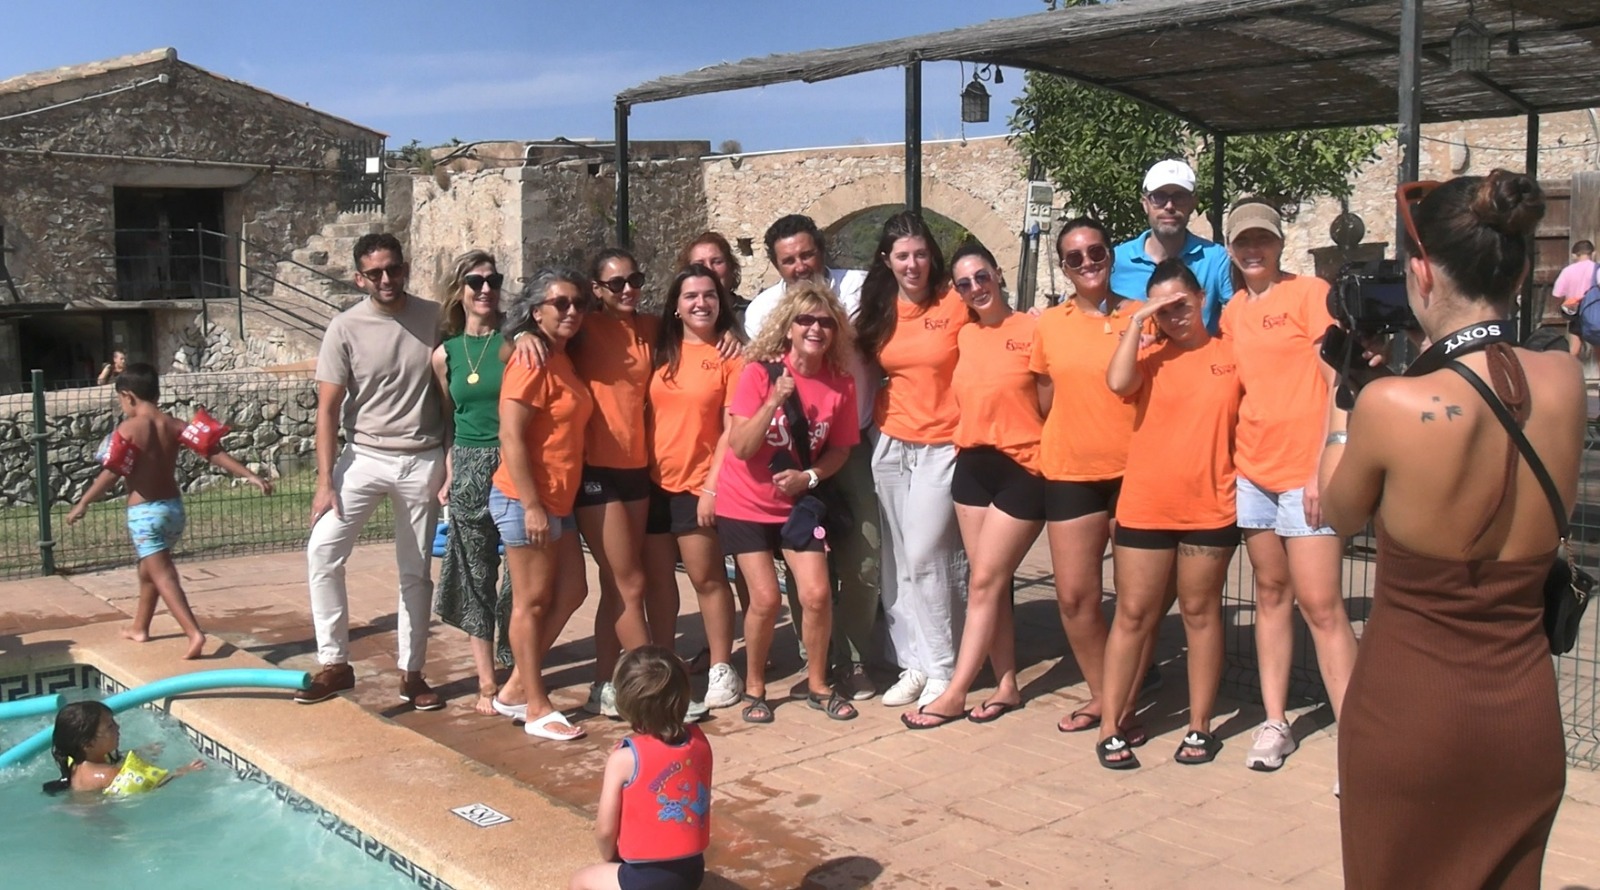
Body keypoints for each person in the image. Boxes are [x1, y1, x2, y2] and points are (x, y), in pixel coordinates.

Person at [1322, 171, 1581, 888]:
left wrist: (1345, 398)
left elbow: (1335, 513)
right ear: (1520, 272)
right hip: (1525, 717)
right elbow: (1492, 374)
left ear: (1422, 272)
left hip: (1412, 714)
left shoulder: (1391, 406)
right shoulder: (1564, 380)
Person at [1218, 201, 1357, 771]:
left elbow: (1339, 379)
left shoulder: (1309, 294)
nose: (1254, 250)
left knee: (1322, 606)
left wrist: (1328, 461)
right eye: (1243, 241)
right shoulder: (1231, 312)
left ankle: (1358, 742)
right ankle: (1275, 722)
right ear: (1231, 248)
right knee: (1271, 595)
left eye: (1263, 239)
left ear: (1279, 244)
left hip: (1306, 472)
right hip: (1254, 471)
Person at [1096, 259, 1242, 770]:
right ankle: (1110, 725)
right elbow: (1117, 383)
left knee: (1201, 614)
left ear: (1201, 298)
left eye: (1180, 304)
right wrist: (1138, 320)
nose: (1173, 316)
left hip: (1210, 506)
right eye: (1162, 309)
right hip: (1146, 506)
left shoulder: (1230, 354)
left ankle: (1200, 724)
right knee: (1133, 615)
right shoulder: (1147, 357)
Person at [301, 233, 448, 708]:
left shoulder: (435, 317)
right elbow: (327, 410)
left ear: (405, 268)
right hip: (363, 456)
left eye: (394, 269)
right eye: (375, 273)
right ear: (359, 278)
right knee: (323, 551)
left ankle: (412, 673)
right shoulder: (344, 327)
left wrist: (448, 457)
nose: (387, 279)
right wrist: (325, 482)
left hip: (422, 457)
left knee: (415, 571)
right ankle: (335, 664)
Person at [902, 244, 1043, 728]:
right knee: (989, 583)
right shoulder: (963, 333)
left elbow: (1050, 400)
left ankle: (955, 692)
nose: (975, 288)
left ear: (998, 274)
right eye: (963, 284)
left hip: (1023, 466)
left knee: (983, 580)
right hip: (973, 466)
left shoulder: (1033, 329)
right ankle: (1007, 684)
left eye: (981, 277)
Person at [741, 214, 880, 702]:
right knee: (806, 561)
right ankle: (815, 658)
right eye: (788, 260)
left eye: (807, 254)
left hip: (848, 443)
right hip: (791, 451)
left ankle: (854, 658)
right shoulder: (763, 310)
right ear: (775, 265)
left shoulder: (859, 288)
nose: (800, 265)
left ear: (822, 249)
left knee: (864, 557)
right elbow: (758, 365)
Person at [716, 280, 860, 724]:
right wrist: (774, 399)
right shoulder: (759, 373)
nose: (815, 328)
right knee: (764, 598)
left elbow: (840, 449)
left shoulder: (841, 383)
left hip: (798, 502)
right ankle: (755, 687)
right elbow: (741, 446)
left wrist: (809, 477)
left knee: (816, 593)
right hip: (745, 502)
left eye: (825, 322)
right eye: (805, 320)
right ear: (788, 327)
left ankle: (818, 684)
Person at [65, 362, 272, 659]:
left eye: (120, 400)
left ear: (128, 396)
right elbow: (212, 451)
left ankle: (193, 633)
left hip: (145, 516)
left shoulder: (129, 429)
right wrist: (249, 475)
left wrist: (84, 502)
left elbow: (112, 472)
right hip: (173, 511)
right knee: (147, 571)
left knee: (163, 575)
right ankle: (140, 627)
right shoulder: (174, 425)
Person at [1030, 217, 1143, 736]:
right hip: (1070, 471)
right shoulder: (1050, 324)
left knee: (1134, 603)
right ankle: (1105, 697)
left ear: (1110, 255)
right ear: (1063, 266)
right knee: (1076, 599)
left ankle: (1122, 705)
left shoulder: (1141, 315)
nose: (1087, 263)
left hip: (1135, 472)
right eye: (1074, 257)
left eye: (1095, 252)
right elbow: (1044, 397)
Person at [855, 211, 968, 708]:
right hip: (891, 441)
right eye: (902, 255)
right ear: (887, 260)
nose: (913, 264)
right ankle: (913, 663)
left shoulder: (954, 300)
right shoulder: (878, 307)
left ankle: (944, 665)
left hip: (943, 443)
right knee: (897, 560)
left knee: (928, 555)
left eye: (920, 253)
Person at [493, 269, 596, 742]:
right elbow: (511, 435)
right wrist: (532, 504)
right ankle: (536, 706)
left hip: (558, 498)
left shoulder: (559, 356)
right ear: (537, 312)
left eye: (578, 303)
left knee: (572, 590)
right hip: (525, 498)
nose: (571, 311)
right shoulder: (530, 359)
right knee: (531, 602)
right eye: (560, 303)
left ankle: (516, 686)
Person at [645, 265, 744, 710]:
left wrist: (711, 488)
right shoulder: (658, 350)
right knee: (658, 581)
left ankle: (721, 666)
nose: (701, 303)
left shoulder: (731, 356)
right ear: (676, 305)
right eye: (691, 296)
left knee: (707, 578)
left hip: (698, 484)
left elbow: (732, 428)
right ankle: (665, 663)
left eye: (709, 295)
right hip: (652, 483)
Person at [430, 250, 517, 717]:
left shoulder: (515, 343)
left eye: (493, 281)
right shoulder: (444, 355)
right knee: (474, 573)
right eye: (476, 282)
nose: (486, 289)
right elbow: (450, 419)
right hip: (468, 466)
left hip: (513, 462)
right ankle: (486, 679)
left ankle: (515, 660)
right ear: (459, 291)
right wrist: (449, 470)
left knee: (520, 577)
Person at [574, 249, 660, 719]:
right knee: (630, 581)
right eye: (616, 283)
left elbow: (700, 329)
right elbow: (528, 331)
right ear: (596, 289)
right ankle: (654, 692)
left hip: (636, 468)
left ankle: (603, 684)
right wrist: (523, 336)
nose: (628, 289)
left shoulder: (649, 327)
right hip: (595, 470)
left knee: (616, 585)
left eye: (635, 279)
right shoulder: (583, 327)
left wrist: (729, 335)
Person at [568, 646, 711, 890]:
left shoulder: (624, 760)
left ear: (624, 704)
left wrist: (611, 859)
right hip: (692, 871)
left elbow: (605, 831)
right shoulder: (700, 742)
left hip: (645, 880)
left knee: (579, 880)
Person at [1110, 160, 1234, 333]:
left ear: (1193, 203)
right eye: (1159, 197)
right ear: (1145, 203)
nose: (1169, 206)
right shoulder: (1116, 261)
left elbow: (1242, 310)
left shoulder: (1215, 259)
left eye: (1179, 197)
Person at [42, 701, 204, 795]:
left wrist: (143, 752)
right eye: (110, 726)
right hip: (101, 820)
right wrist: (181, 771)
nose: (118, 727)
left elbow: (119, 758)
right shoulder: (108, 774)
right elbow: (152, 786)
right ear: (88, 744)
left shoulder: (77, 763)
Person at [678, 231, 749, 329]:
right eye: (700, 264)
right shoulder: (674, 324)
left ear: (730, 267)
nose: (709, 269)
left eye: (717, 262)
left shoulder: (755, 312)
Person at [1554, 239, 1596, 359]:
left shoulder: (1567, 271)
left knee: (1574, 349)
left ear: (1574, 255)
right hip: (1594, 311)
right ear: (1593, 253)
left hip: (1575, 311)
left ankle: (1570, 369)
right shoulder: (1597, 269)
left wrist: (1562, 307)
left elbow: (1557, 294)